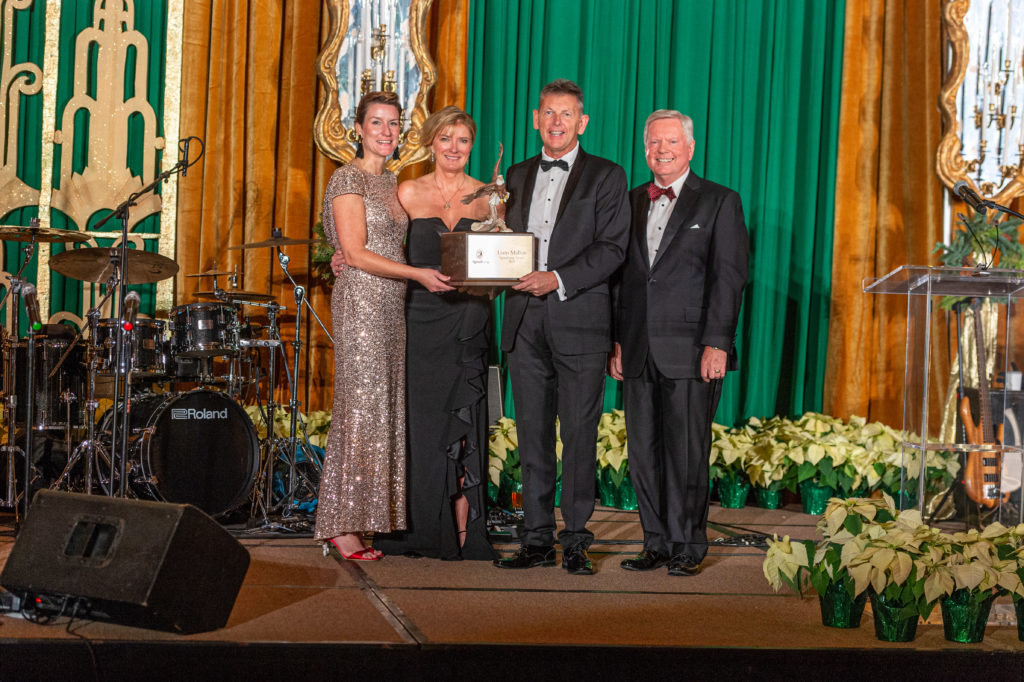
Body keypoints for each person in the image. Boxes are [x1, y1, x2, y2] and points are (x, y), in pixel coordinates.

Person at [493, 79, 629, 575]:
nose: (556, 122)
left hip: (581, 323)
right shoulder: (518, 173)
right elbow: (502, 240)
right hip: (524, 323)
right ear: (536, 118)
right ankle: (534, 539)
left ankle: (575, 539)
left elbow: (613, 249)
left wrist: (556, 279)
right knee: (530, 436)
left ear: (582, 122)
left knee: (578, 436)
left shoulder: (608, 176)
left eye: (566, 114)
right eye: (548, 113)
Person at [609, 110, 749, 576]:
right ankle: (656, 542)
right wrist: (617, 342)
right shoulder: (629, 202)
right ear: (644, 148)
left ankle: (689, 543)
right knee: (644, 453)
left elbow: (729, 279)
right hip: (637, 347)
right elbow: (620, 281)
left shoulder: (719, 202)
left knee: (687, 452)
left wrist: (718, 343)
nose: (661, 150)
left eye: (670, 142)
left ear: (690, 147)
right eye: (653, 143)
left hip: (692, 349)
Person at [315, 91, 453, 561]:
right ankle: (340, 524)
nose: (387, 132)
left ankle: (367, 516)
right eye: (377, 123)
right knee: (359, 409)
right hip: (362, 306)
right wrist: (419, 275)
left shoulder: (392, 181)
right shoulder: (346, 178)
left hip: (393, 308)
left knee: (381, 410)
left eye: (394, 124)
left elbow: (385, 247)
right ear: (358, 128)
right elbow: (354, 253)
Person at [371, 106, 499, 560]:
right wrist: (343, 257)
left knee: (464, 427)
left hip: (468, 320)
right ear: (430, 143)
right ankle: (422, 528)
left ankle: (466, 531)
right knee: (422, 428)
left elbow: (504, 260)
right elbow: (377, 244)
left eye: (463, 140)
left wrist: (489, 282)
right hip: (418, 321)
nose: (454, 148)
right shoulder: (406, 191)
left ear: (471, 145)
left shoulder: (488, 197)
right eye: (445, 139)